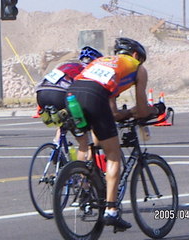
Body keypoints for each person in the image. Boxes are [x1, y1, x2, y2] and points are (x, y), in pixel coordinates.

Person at [68, 37, 166, 230]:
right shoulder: (137, 67)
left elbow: (113, 113)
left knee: (90, 143)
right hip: (94, 96)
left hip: (72, 93)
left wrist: (127, 113)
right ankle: (111, 211)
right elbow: (142, 109)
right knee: (113, 155)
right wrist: (157, 110)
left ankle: (87, 184)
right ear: (137, 55)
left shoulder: (104, 62)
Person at [36, 46, 103, 159]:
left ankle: (56, 146)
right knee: (83, 140)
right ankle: (81, 174)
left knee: (63, 119)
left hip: (41, 94)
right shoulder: (90, 70)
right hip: (60, 95)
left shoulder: (67, 65)